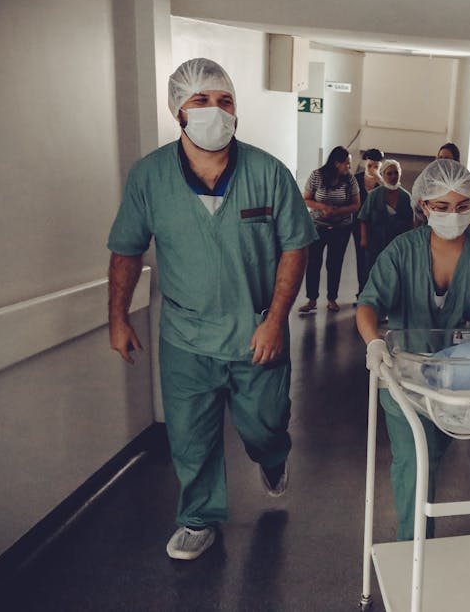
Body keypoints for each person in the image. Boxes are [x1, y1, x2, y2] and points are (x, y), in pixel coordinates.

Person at [107, 58, 318, 561]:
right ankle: (198, 518)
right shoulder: (150, 177)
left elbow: (296, 247)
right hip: (186, 336)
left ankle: (272, 457)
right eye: (200, 101)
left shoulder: (268, 173)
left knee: (264, 423)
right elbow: (126, 250)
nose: (214, 111)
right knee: (190, 436)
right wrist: (117, 318)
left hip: (256, 330)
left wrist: (274, 320)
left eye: (225, 101)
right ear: (178, 111)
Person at [356, 158, 470, 541]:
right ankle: (414, 548)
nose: (453, 215)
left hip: (462, 382)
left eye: (462, 206)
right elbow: (369, 303)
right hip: (405, 378)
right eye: (441, 207)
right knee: (414, 463)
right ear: (423, 206)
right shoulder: (403, 251)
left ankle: (420, 536)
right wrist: (373, 341)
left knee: (432, 456)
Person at [298, 146, 361, 313]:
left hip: (341, 229)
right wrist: (323, 207)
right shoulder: (317, 176)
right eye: (347, 163)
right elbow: (306, 199)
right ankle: (311, 299)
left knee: (335, 264)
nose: (349, 166)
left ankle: (332, 299)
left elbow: (356, 205)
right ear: (336, 163)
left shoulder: (350, 180)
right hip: (318, 227)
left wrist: (336, 211)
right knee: (313, 263)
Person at [357, 159, 413, 272]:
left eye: (396, 173)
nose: (393, 176)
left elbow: (410, 221)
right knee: (373, 270)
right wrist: (364, 239)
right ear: (382, 175)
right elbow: (363, 218)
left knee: (394, 270)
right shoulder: (374, 195)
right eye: (389, 173)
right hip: (375, 242)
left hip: (396, 242)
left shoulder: (405, 197)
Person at [414, 142, 470, 229]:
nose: (443, 162)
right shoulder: (428, 179)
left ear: (456, 161)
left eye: (447, 158)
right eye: (440, 158)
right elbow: (418, 210)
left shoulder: (465, 181)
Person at [351, 148, 384, 305]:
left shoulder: (382, 182)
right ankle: (361, 292)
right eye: (370, 165)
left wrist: (379, 180)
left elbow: (390, 196)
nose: (372, 169)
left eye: (376, 166)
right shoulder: (356, 179)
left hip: (378, 226)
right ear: (365, 162)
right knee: (361, 258)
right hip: (358, 224)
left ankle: (374, 295)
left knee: (376, 260)